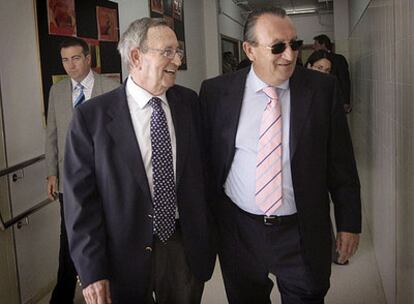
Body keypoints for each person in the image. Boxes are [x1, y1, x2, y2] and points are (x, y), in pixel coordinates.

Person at [199, 7, 361, 303]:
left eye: (295, 45)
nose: (289, 56)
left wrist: (349, 223)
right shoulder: (216, 93)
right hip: (239, 230)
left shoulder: (322, 90)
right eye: (277, 47)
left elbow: (341, 164)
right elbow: (207, 164)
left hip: (301, 230)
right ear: (249, 50)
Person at [63, 18, 216, 304]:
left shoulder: (189, 103)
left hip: (183, 246)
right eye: (168, 52)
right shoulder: (91, 118)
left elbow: (205, 174)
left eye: (178, 52)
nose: (178, 60)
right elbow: (80, 202)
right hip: (123, 252)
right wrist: (91, 270)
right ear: (136, 56)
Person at [45, 36, 119, 304]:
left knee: (109, 234)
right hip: (69, 181)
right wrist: (51, 172)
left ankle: (112, 289)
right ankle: (63, 296)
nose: (70, 65)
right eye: (65, 60)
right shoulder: (57, 91)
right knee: (69, 241)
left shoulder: (111, 88)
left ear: (89, 58)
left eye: (76, 58)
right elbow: (52, 133)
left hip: (106, 179)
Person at [305, 50, 350, 266]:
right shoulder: (296, 93)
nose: (323, 73)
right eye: (319, 68)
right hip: (305, 164)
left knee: (323, 208)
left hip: (322, 164)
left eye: (327, 70)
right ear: (308, 66)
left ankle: (334, 251)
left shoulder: (330, 93)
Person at [313, 34, 352, 113]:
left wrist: (346, 101)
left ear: (323, 44)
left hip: (334, 99)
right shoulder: (313, 59)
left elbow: (344, 80)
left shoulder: (338, 59)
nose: (313, 47)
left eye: (315, 44)